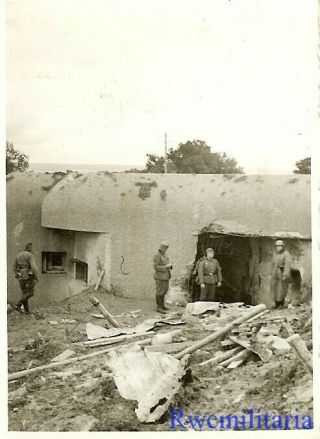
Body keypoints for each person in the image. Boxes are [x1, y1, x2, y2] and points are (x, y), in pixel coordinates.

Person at [13, 243, 39, 314]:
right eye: (31, 247)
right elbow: (34, 267)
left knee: (24, 293)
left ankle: (26, 311)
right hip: (27, 275)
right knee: (30, 292)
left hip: (20, 275)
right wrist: (36, 277)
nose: (32, 249)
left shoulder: (18, 255)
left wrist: (16, 274)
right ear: (29, 248)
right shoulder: (29, 255)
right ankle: (18, 305)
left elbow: (14, 267)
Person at [270, 240, 292, 309]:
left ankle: (281, 304)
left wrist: (285, 275)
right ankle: (276, 303)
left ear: (282, 246)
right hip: (275, 273)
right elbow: (273, 264)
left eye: (279, 246)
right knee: (275, 289)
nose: (278, 248)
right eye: (276, 246)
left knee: (281, 290)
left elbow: (287, 265)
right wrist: (271, 272)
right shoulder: (275, 254)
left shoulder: (286, 254)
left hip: (281, 273)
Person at [153, 242, 172, 313]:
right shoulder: (157, 255)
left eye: (167, 248)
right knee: (160, 292)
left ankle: (162, 305)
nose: (166, 249)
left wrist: (170, 265)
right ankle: (159, 307)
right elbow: (156, 267)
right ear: (161, 248)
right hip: (159, 276)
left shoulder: (164, 255)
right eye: (165, 248)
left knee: (164, 291)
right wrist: (166, 267)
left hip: (166, 276)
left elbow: (166, 263)